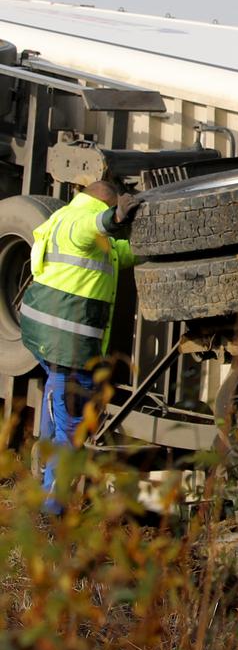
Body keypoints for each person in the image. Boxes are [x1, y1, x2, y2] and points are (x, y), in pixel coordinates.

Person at [19, 181, 140, 513]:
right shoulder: (80, 222)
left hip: (44, 338)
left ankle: (43, 469)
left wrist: (154, 244)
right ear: (101, 205)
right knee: (71, 429)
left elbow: (116, 254)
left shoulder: (63, 219)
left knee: (57, 400)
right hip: (68, 346)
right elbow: (92, 227)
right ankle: (51, 509)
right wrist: (115, 217)